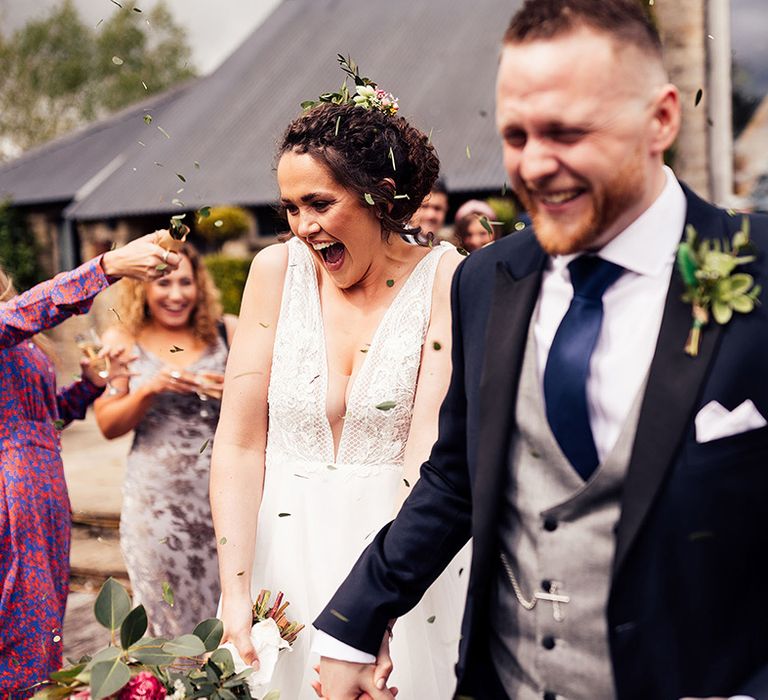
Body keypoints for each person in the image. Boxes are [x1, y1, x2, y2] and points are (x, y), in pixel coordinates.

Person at [314, 1, 768, 699]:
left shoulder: (758, 271)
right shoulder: (487, 279)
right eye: (517, 135)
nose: (535, 165)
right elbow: (457, 476)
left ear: (662, 119)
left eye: (566, 132)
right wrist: (354, 619)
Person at [209, 83, 464, 698]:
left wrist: (382, 611)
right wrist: (236, 591)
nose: (303, 227)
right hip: (284, 558)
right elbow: (240, 444)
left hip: (399, 559)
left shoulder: (447, 278)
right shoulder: (274, 273)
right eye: (290, 208)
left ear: (379, 195)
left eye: (319, 203)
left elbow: (425, 452)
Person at [0, 234, 179, 697]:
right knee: (21, 620)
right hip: (10, 496)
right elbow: (33, 308)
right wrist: (108, 266)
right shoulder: (12, 321)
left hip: (42, 491)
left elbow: (41, 419)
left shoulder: (16, 328)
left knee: (44, 617)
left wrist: (88, 386)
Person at [93, 241, 235, 638]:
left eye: (185, 282)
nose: (176, 294)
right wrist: (148, 389)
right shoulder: (124, 340)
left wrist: (235, 392)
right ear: (143, 288)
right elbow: (107, 423)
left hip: (223, 497)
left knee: (227, 613)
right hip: (155, 506)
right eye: (163, 282)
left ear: (199, 285)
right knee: (164, 616)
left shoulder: (228, 330)